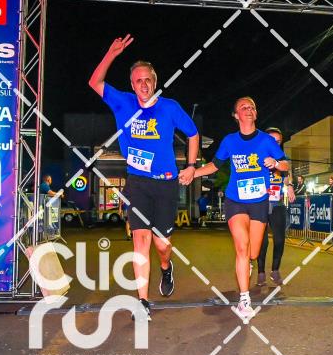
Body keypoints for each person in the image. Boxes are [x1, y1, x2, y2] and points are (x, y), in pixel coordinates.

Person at [88, 35, 199, 320]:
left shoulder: (170, 107)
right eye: (138, 80)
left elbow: (193, 133)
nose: (143, 84)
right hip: (137, 182)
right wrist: (111, 53)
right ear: (132, 84)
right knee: (140, 241)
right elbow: (95, 82)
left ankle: (166, 267)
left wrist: (190, 165)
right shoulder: (123, 103)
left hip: (166, 183)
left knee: (162, 245)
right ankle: (143, 302)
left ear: (155, 80)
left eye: (148, 79)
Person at [193, 97, 287, 317]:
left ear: (255, 114)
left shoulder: (266, 140)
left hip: (259, 201)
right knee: (242, 248)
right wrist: (193, 172)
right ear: (236, 115)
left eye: (252, 107)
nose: (249, 109)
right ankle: (244, 301)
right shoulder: (229, 141)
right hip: (235, 199)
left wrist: (275, 163)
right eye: (244, 107)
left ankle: (249, 264)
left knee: (253, 251)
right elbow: (214, 165)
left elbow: (285, 165)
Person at [256, 128, 295, 286]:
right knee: (262, 241)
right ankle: (260, 272)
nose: (275, 144)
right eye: (272, 140)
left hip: (277, 203)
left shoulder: (282, 159)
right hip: (260, 203)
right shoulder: (257, 156)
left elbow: (287, 174)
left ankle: (275, 270)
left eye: (278, 141)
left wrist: (290, 186)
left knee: (279, 239)